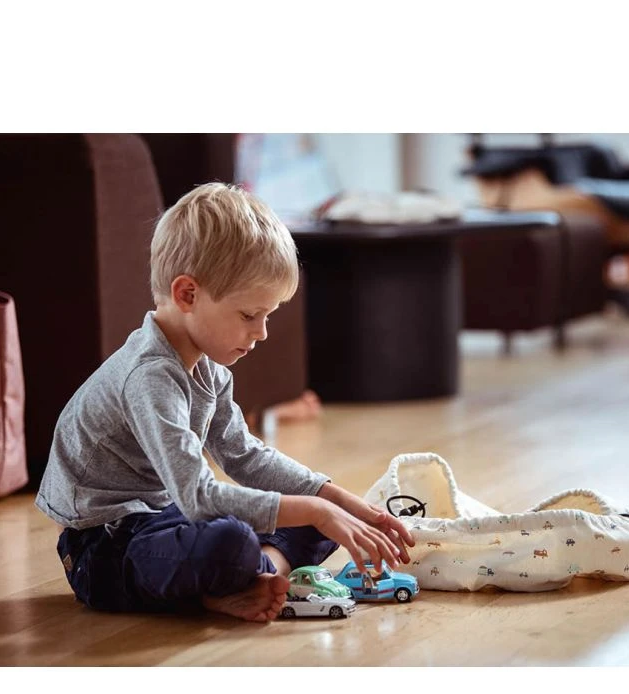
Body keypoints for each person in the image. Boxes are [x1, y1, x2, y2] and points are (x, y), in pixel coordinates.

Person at [36, 183, 414, 623]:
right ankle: (238, 579)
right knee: (236, 540)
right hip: (104, 545)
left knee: (320, 517)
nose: (262, 332)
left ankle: (252, 578)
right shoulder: (150, 377)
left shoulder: (208, 370)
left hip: (167, 515)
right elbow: (198, 497)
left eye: (268, 315)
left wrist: (338, 500)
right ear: (187, 294)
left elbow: (244, 455)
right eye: (249, 315)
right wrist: (315, 509)